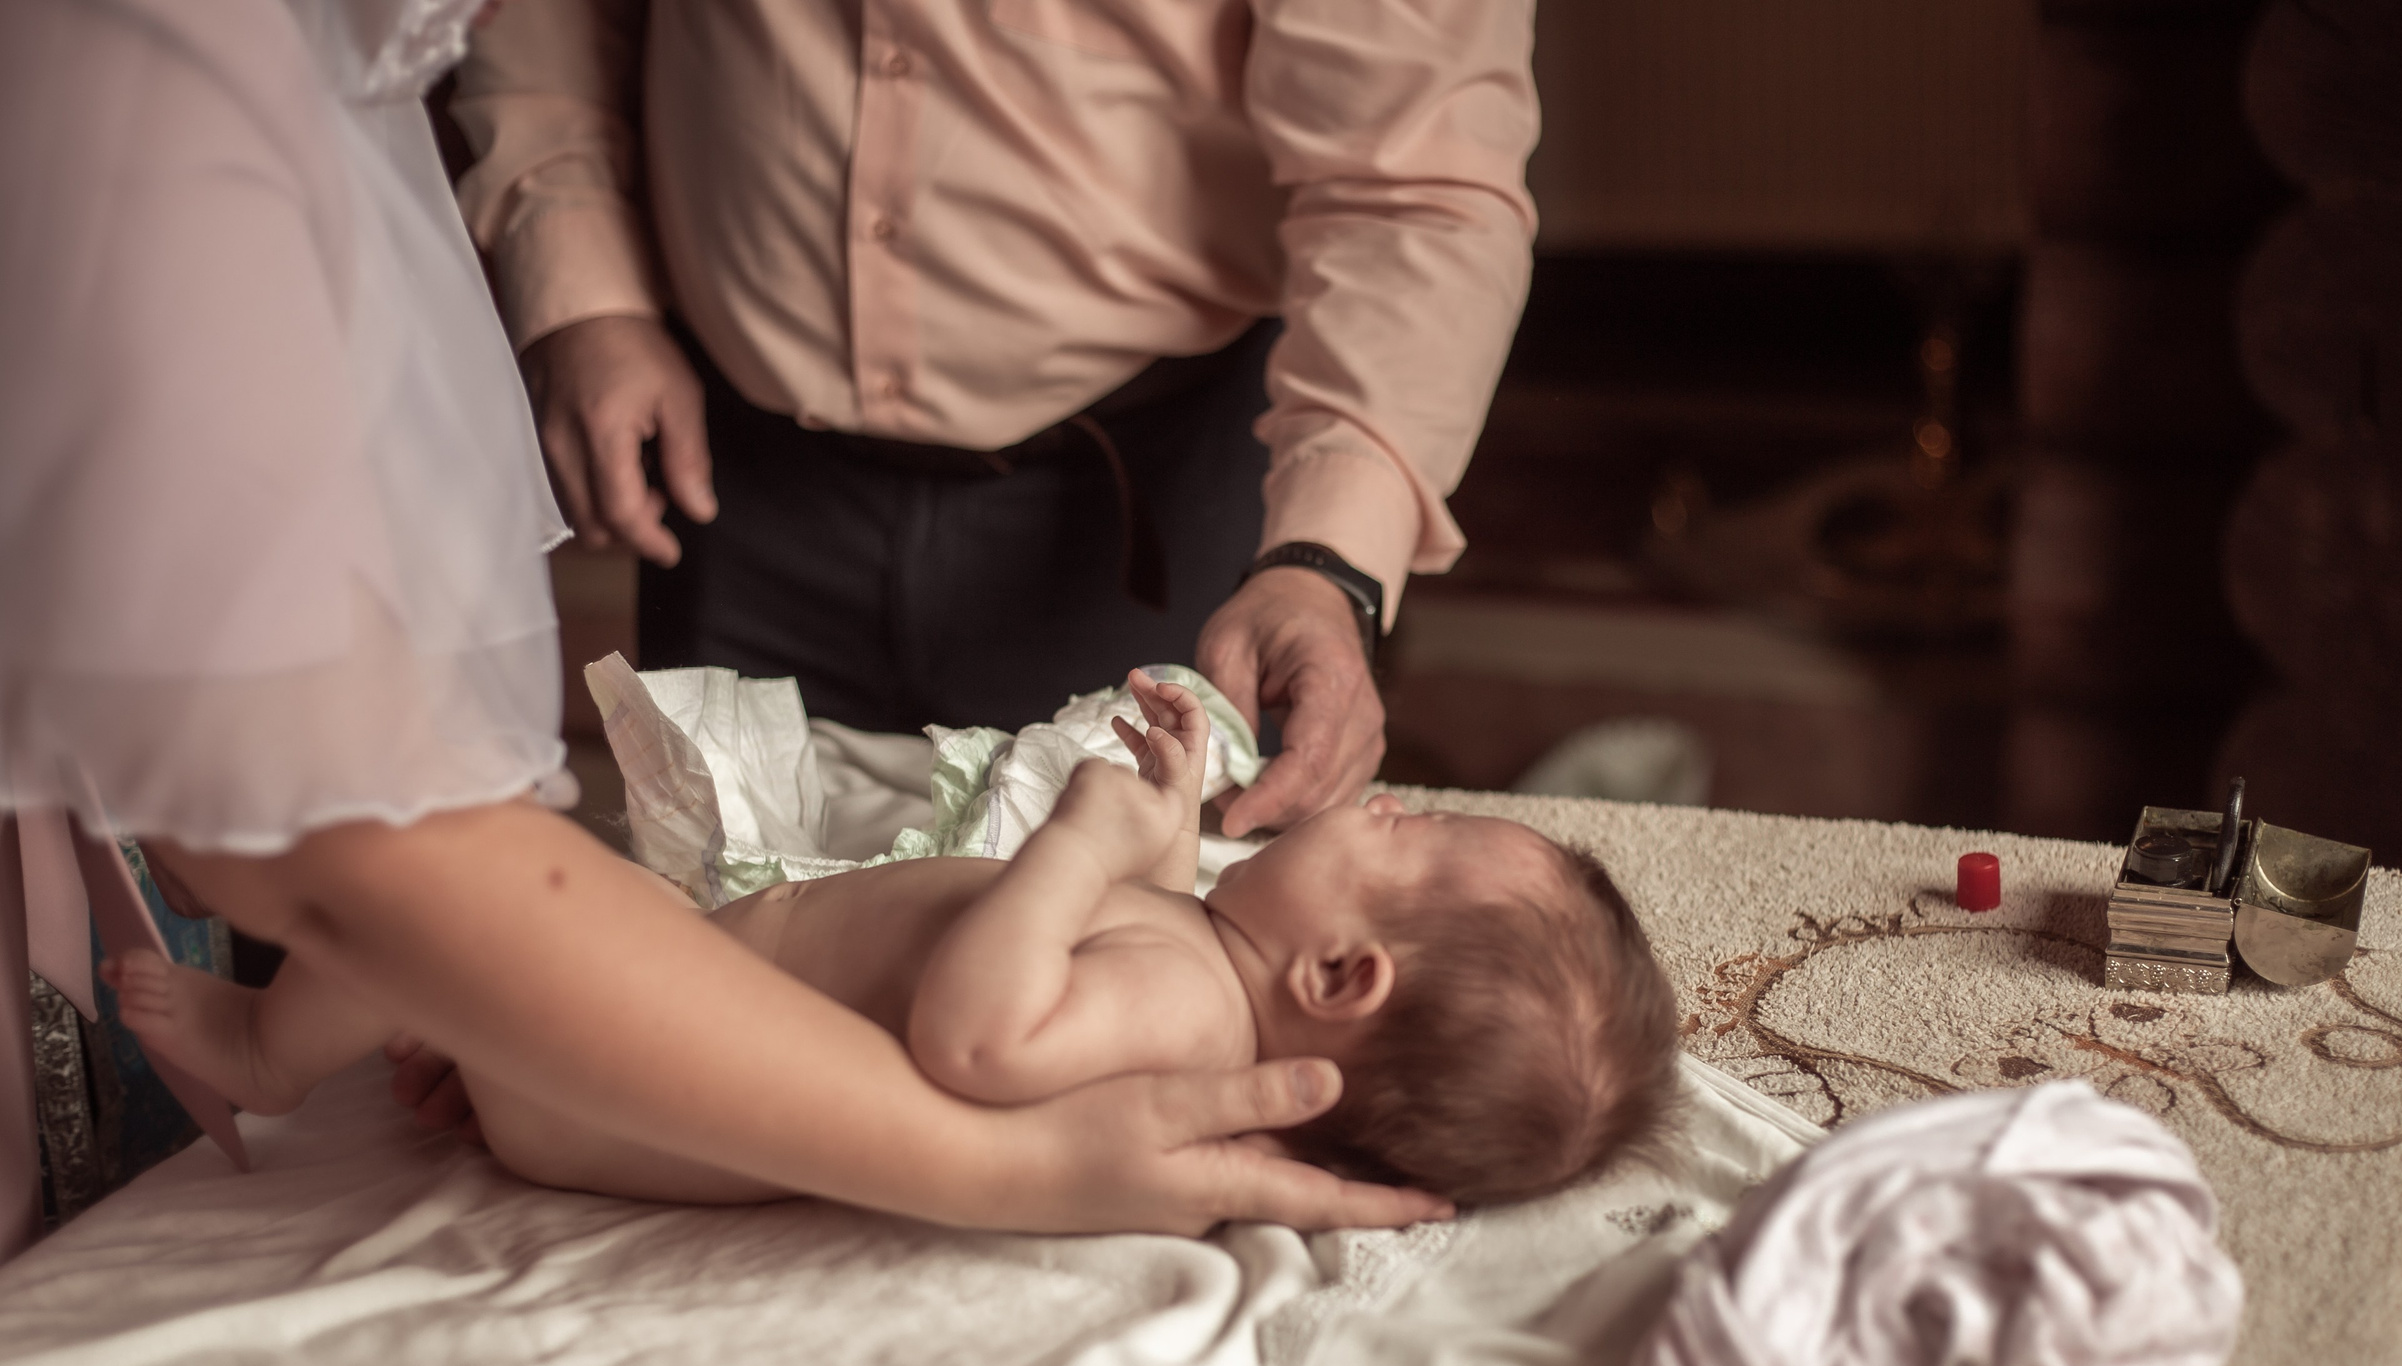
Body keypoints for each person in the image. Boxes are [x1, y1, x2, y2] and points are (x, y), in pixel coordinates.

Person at [0, 0, 1447, 1247]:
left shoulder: (1186, 1001)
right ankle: (284, 1033)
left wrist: (524, 976)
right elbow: (342, 846)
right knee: (447, 877)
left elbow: (1417, 168)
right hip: (726, 532)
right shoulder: (164, 89)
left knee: (466, 877)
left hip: (1120, 457)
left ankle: (294, 1031)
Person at [449, 0, 1538, 837]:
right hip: (731, 470)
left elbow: (1417, 183)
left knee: (1132, 984)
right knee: (721, 948)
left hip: (1152, 496)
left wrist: (1325, 563)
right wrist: (581, 289)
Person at [107, 675, 1683, 1207]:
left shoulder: (1176, 1004)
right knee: (493, 904)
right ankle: (336, 1022)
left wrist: (1079, 838)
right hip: (682, 1014)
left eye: (1404, 834)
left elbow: (976, 1035)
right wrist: (1156, 834)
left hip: (628, 1090)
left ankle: (259, 1051)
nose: (1387, 800)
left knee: (425, 914)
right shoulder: (1199, 957)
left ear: (1342, 976)